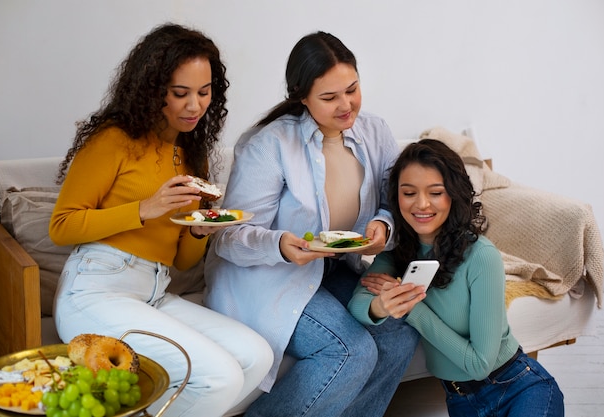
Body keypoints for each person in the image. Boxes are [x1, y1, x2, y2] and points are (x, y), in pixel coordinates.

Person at [49, 23, 273, 417]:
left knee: (257, 356)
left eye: (204, 93)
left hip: (154, 291)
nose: (194, 106)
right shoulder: (113, 140)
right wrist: (144, 209)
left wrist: (200, 230)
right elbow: (62, 226)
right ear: (153, 90)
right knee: (219, 376)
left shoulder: (191, 154)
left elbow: (183, 261)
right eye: (180, 93)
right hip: (94, 291)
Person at [204, 31, 424, 417]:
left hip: (335, 267)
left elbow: (394, 198)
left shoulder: (375, 132)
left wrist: (383, 225)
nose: (346, 105)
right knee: (350, 351)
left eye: (352, 89)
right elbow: (227, 237)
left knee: (397, 333)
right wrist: (280, 245)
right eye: (330, 97)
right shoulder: (268, 145)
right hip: (267, 275)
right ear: (301, 96)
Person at [348, 139, 565, 417]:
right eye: (409, 192)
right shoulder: (398, 254)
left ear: (453, 194)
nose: (421, 204)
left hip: (518, 388)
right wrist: (382, 306)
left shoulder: (481, 257)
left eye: (435, 192)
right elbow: (357, 304)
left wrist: (412, 309)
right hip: (461, 402)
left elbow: (479, 365)